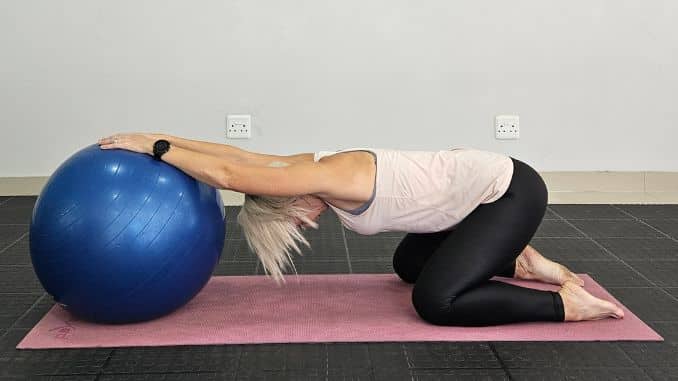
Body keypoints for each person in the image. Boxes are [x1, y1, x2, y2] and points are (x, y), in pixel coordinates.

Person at [98, 132, 625, 327]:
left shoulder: (328, 175)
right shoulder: (308, 170)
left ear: (288, 197)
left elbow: (234, 175)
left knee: (436, 303)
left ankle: (563, 305)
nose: (306, 223)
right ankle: (518, 260)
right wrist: (158, 134)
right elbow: (239, 155)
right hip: (472, 202)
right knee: (409, 266)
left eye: (292, 218)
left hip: (508, 193)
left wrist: (157, 152)